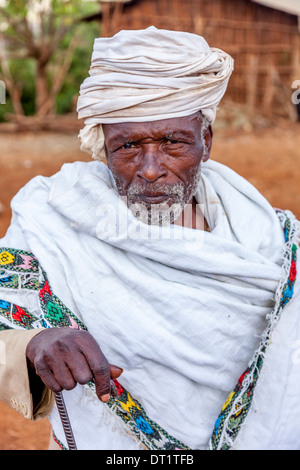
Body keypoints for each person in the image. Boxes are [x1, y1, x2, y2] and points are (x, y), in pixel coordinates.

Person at [0, 26, 299, 451]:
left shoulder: (276, 238)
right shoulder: (52, 217)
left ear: (206, 141)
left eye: (173, 142)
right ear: (104, 148)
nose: (152, 168)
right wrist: (32, 344)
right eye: (128, 147)